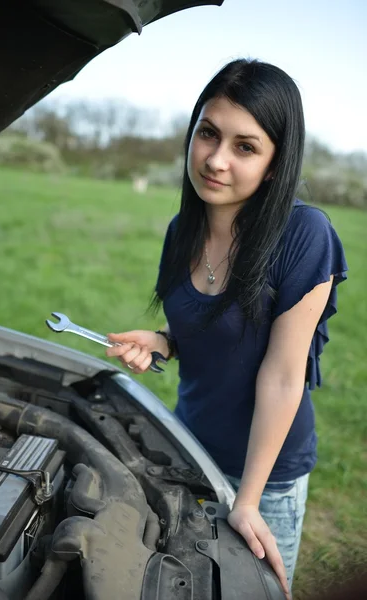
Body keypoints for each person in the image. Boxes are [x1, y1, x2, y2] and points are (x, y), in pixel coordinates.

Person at [106, 58, 348, 598]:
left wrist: (248, 500)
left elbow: (284, 376)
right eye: (208, 134)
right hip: (186, 447)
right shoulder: (181, 231)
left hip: (266, 475)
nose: (216, 160)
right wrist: (164, 341)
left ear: (275, 161)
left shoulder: (304, 235)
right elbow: (208, 337)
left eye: (245, 146)